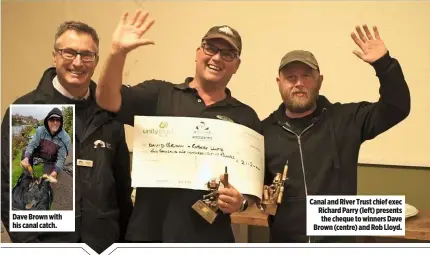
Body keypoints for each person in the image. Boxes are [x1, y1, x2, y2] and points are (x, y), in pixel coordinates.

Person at [95, 9, 261, 242]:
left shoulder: (246, 117)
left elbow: (251, 189)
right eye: (210, 48)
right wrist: (117, 53)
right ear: (197, 53)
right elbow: (106, 100)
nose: (216, 57)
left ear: (237, 65)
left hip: (210, 241)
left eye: (228, 53)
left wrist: (241, 202)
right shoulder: (158, 94)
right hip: (150, 237)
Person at [262, 24, 410, 243]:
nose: (299, 83)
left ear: (320, 80)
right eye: (291, 77)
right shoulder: (263, 131)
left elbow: (397, 107)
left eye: (306, 76)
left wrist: (384, 65)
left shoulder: (347, 119)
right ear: (279, 83)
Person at [1, 21, 132, 253]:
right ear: (54, 56)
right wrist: (31, 248)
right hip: (46, 246)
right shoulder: (26, 112)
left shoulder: (109, 112)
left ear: (96, 60)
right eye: (69, 52)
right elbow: (7, 188)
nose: (78, 62)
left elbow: (122, 187)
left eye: (87, 55)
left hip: (103, 246)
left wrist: (121, 244)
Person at [20, 107, 71, 181]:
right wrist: (27, 157)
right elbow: (32, 144)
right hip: (41, 152)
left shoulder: (66, 138)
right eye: (52, 119)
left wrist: (55, 171)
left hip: (52, 159)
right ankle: (28, 176)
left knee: (47, 178)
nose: (55, 122)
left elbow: (61, 158)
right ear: (47, 121)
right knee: (25, 151)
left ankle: (51, 170)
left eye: (58, 120)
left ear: (61, 122)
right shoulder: (40, 131)